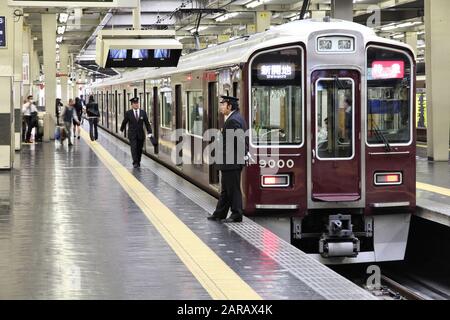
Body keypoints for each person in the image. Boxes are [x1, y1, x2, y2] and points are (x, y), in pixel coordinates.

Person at [208, 95, 248, 223]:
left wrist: (244, 154)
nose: (221, 107)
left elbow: (240, 141)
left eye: (223, 104)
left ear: (229, 106)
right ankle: (219, 213)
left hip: (231, 161)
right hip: (230, 161)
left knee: (233, 189)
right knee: (226, 189)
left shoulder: (232, 120)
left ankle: (236, 214)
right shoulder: (236, 117)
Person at [120, 97, 153, 168]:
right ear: (131, 105)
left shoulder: (143, 113)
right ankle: (135, 162)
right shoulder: (128, 113)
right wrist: (121, 129)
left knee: (139, 149)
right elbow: (124, 122)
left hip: (141, 135)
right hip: (132, 135)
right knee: (133, 148)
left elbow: (147, 123)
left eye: (137, 103)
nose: (136, 105)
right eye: (134, 103)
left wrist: (149, 132)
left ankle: (138, 161)